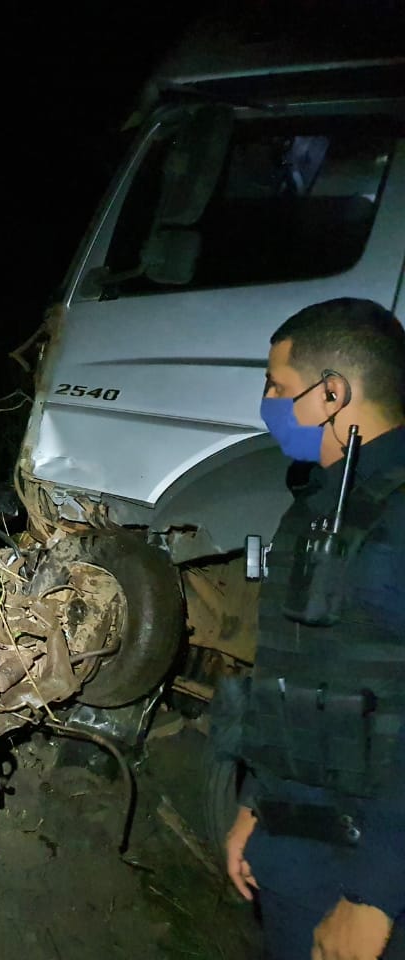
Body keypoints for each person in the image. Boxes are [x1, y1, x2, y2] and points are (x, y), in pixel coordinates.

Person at [224, 297, 405, 960]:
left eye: (277, 385)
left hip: (362, 878)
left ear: (332, 393)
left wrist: (376, 895)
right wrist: (255, 807)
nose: (267, 401)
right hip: (297, 851)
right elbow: (295, 675)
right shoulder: (324, 503)